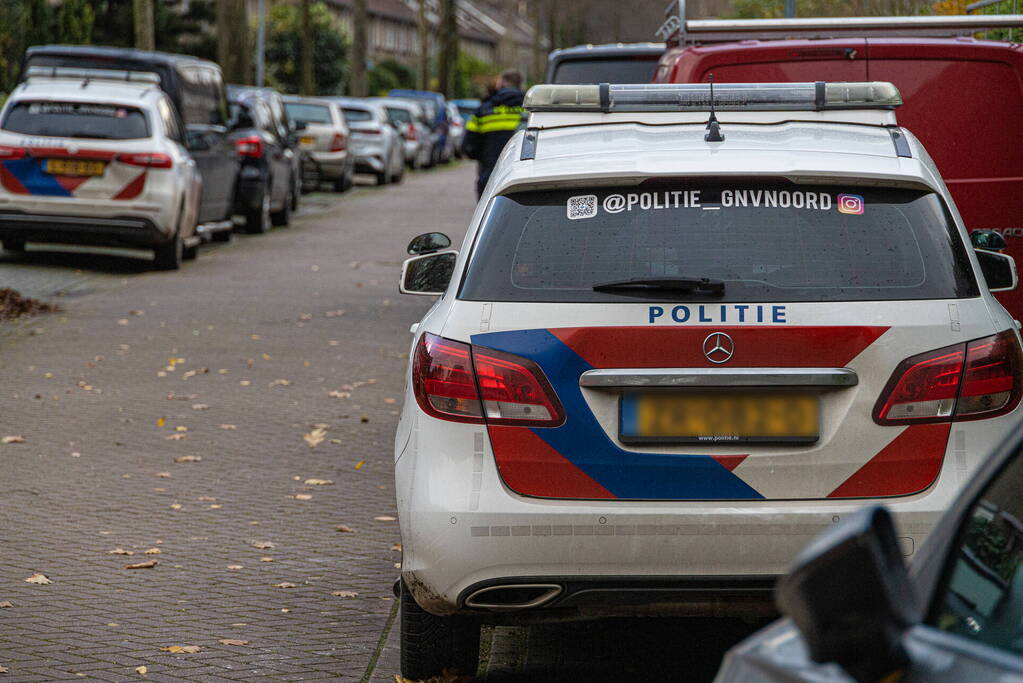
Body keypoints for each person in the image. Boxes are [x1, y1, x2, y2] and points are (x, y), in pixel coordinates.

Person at [463, 70, 525, 199]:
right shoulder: (529, 109)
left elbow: (469, 145)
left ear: (501, 83)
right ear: (519, 85)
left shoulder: (484, 109)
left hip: (490, 173)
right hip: (522, 175)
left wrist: (485, 156)